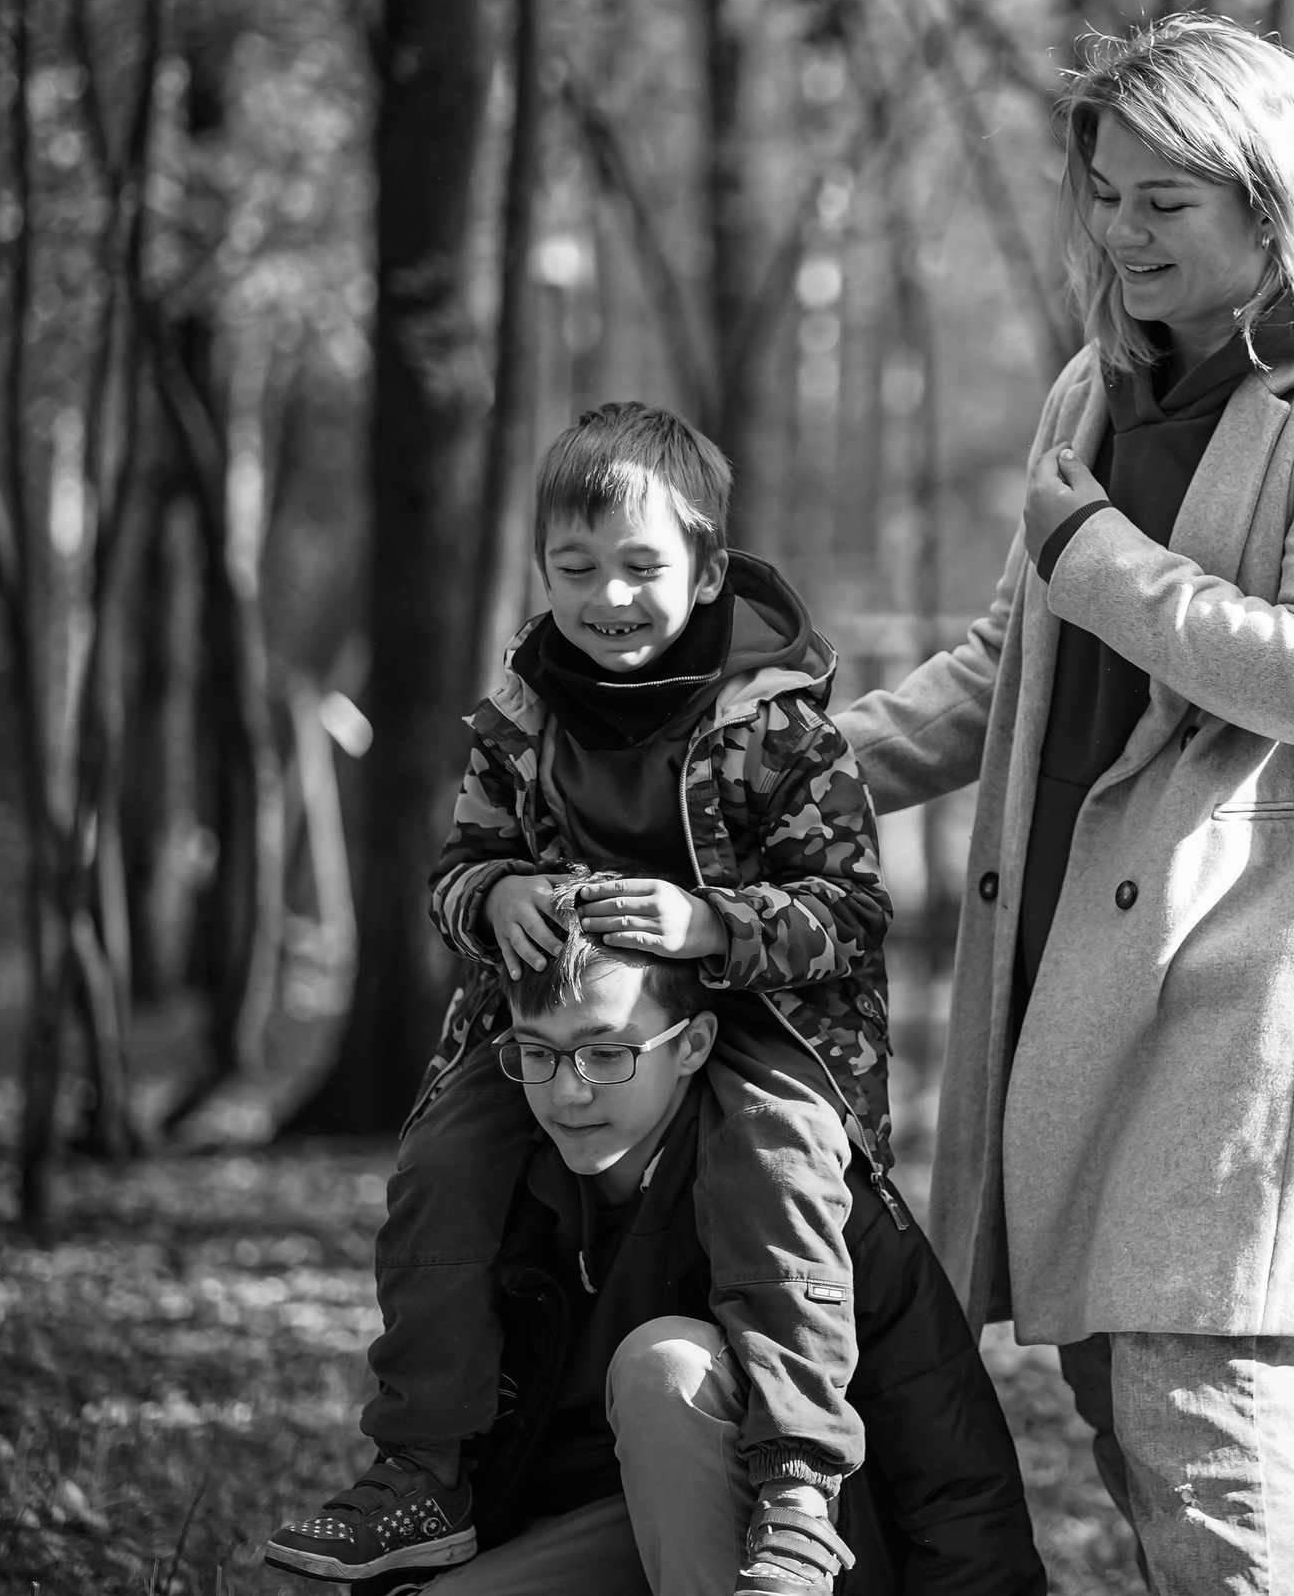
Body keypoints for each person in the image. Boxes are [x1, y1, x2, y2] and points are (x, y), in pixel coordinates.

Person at [837, 15, 1294, 1595]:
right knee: (1118, 1387)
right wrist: (785, 770)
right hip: (1080, 961)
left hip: (1252, 977)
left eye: (1163, 203)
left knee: (1197, 1394)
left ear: (1273, 205)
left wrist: (1101, 556)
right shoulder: (1090, 390)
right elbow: (1014, 660)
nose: (1120, 235)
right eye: (1107, 196)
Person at [268, 404, 897, 1596]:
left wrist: (711, 923)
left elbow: (851, 915)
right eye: (577, 568)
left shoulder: (779, 729)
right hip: (559, 1030)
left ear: (708, 569)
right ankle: (420, 1473)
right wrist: (494, 895)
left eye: (643, 567)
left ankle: (798, 1484)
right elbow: (456, 868)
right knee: (447, 1156)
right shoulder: (519, 721)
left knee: (772, 1162)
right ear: (542, 571)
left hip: (761, 1032)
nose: (609, 596)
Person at [404, 925, 1046, 1595]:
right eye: (539, 1051)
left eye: (605, 1051)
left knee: (666, 1366)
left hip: (810, 1553)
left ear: (691, 1044)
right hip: (618, 1528)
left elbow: (958, 1478)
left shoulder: (794, 1186)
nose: (569, 1090)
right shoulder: (496, 1195)